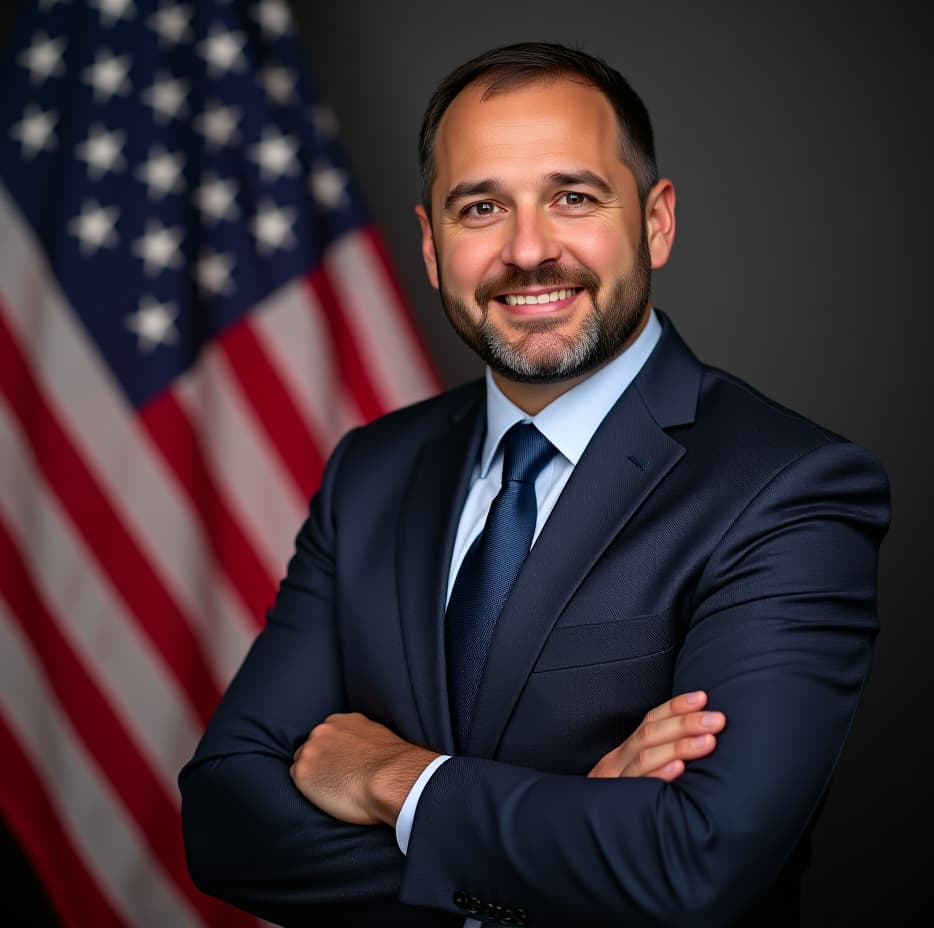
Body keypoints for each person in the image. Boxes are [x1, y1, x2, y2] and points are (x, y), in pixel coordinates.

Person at [179, 42, 891, 928]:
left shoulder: (788, 488)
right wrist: (567, 839)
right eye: (481, 207)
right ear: (433, 248)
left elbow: (693, 866)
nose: (527, 250)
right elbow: (222, 821)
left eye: (574, 198)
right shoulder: (372, 471)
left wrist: (396, 779)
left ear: (657, 221)